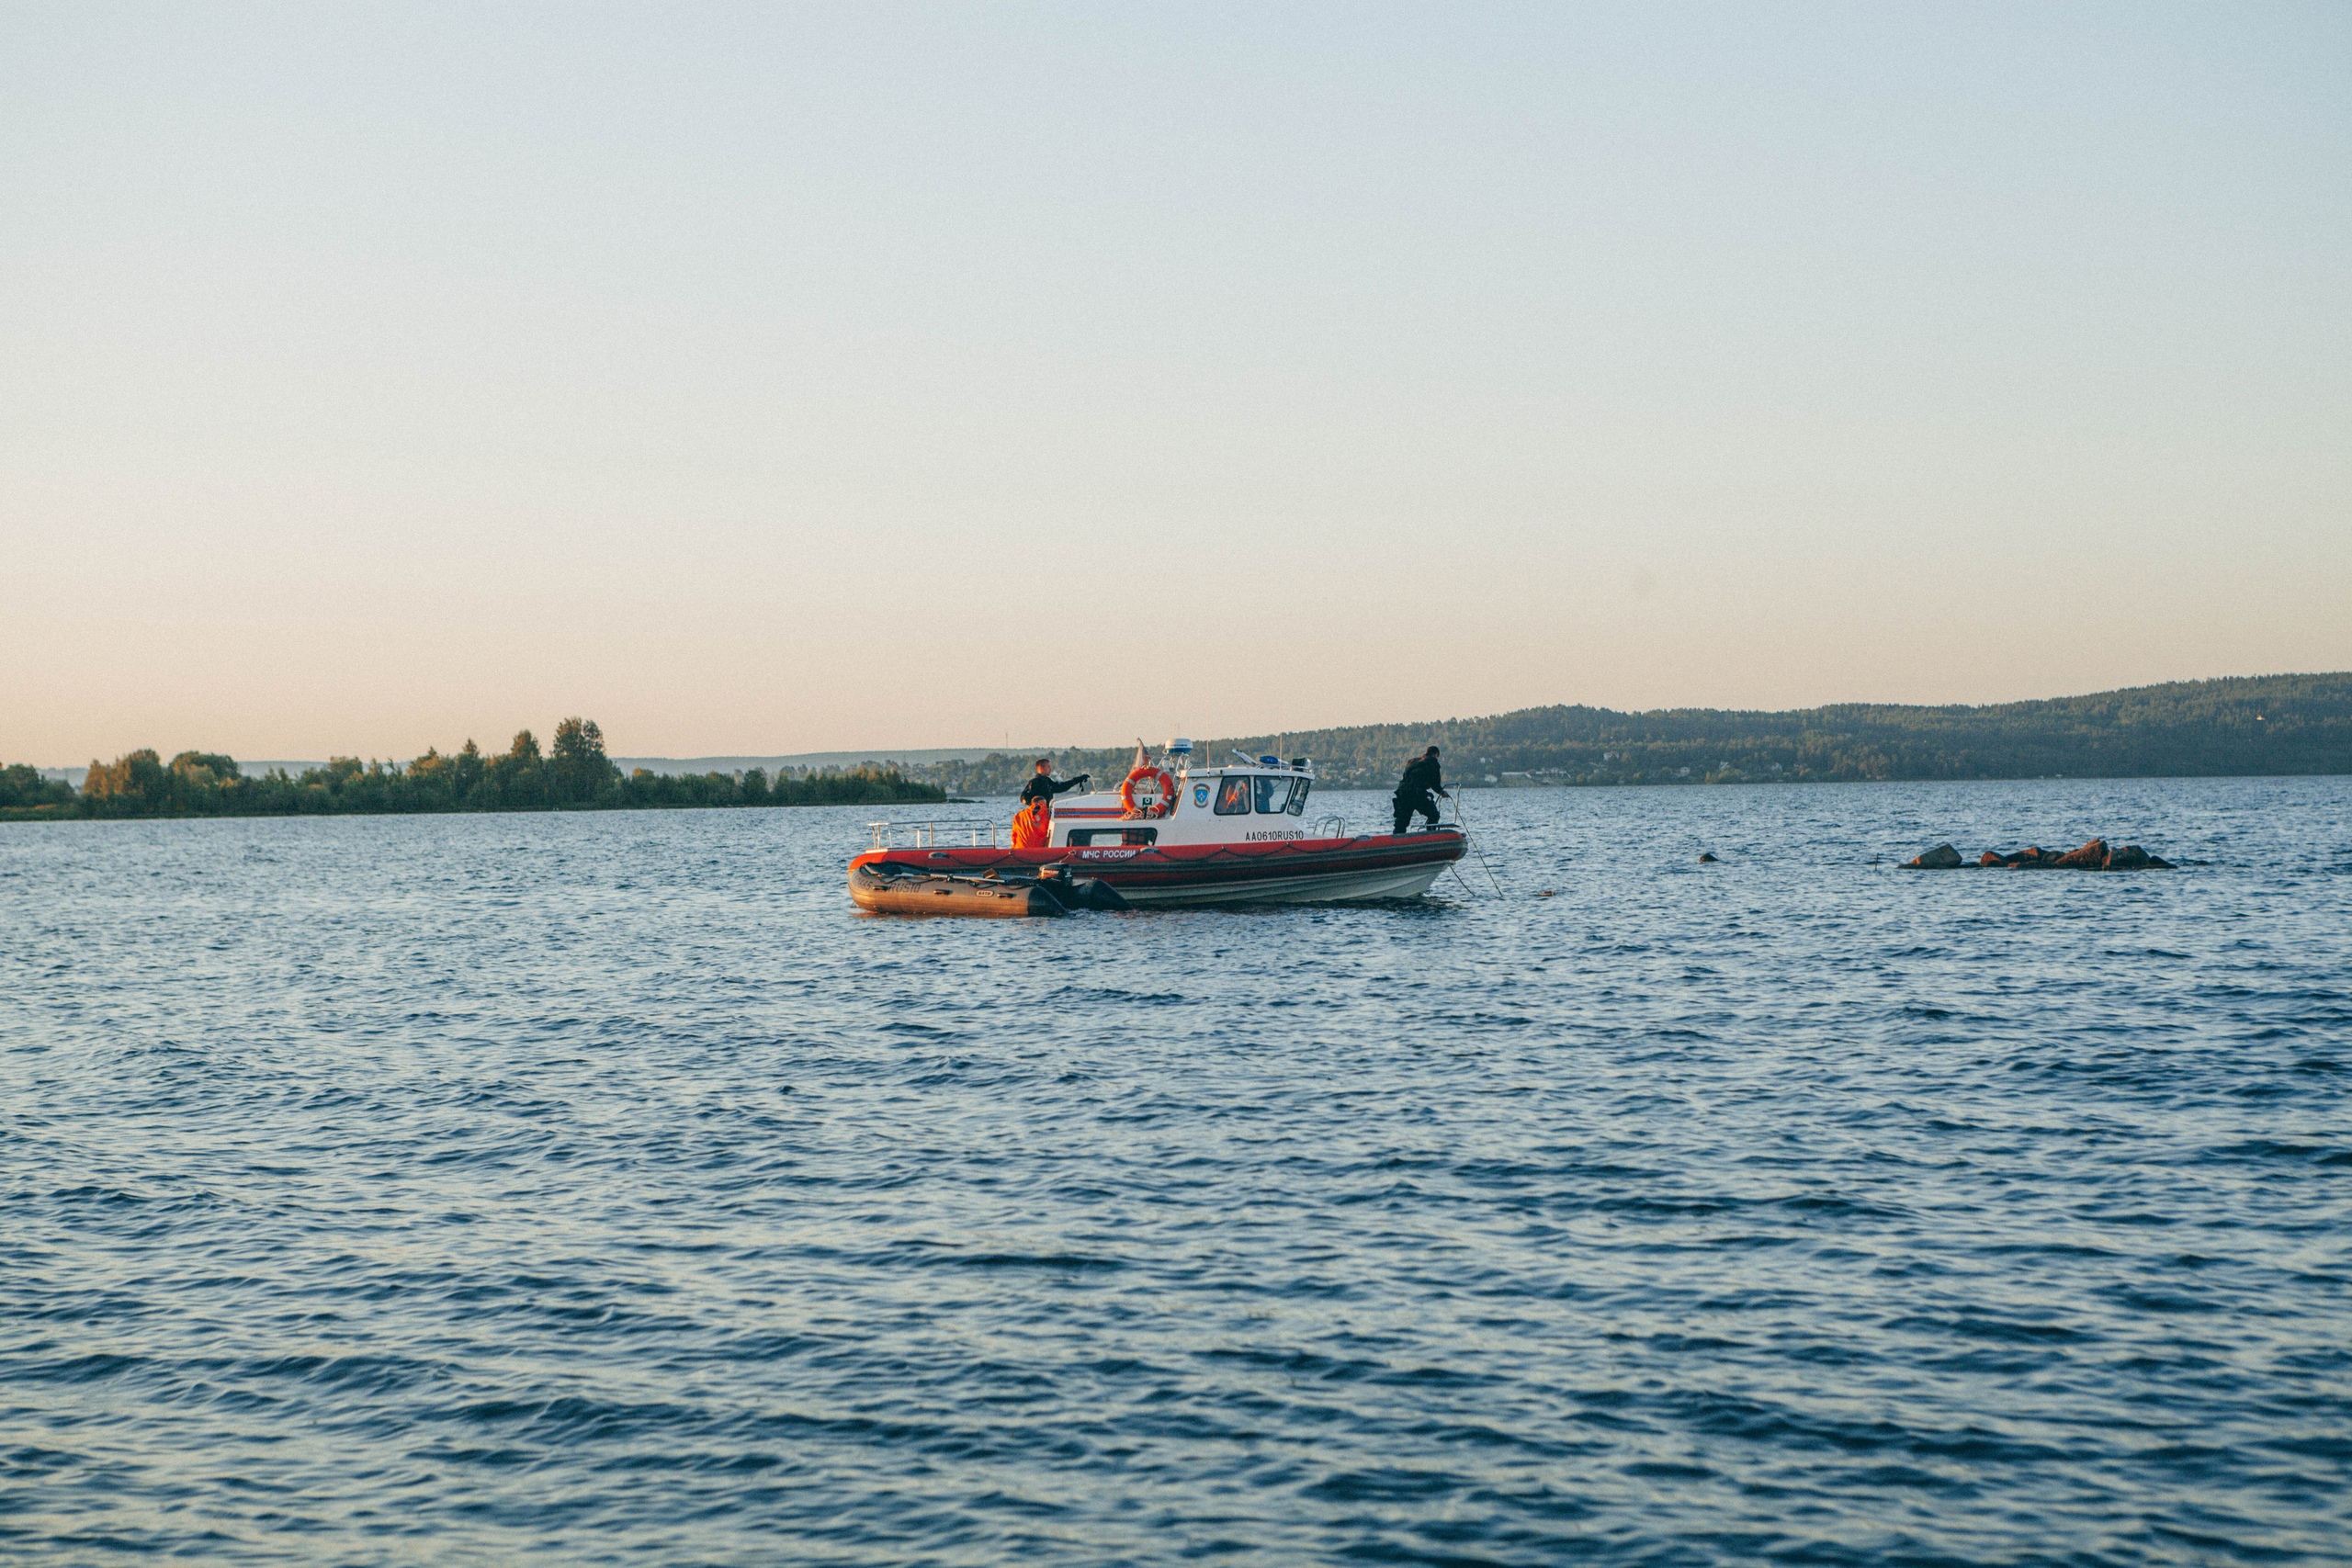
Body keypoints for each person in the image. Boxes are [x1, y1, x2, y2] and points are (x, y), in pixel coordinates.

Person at [1012, 759, 1089, 849]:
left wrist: (1077, 780)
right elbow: (1023, 797)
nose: (1050, 769)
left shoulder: (1047, 781)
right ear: (1041, 768)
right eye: (1048, 767)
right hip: (1039, 817)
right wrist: (1036, 807)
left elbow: (1061, 787)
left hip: (1046, 814)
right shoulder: (1034, 782)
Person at [1392, 745, 1448, 834]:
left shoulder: (1412, 761)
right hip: (1416, 793)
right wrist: (1442, 792)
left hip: (1402, 792)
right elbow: (1435, 783)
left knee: (1401, 821)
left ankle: (1396, 840)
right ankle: (1430, 836)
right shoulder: (1433, 762)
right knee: (1433, 815)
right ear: (1436, 754)